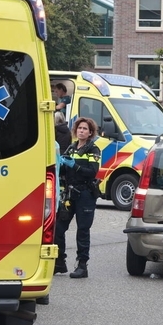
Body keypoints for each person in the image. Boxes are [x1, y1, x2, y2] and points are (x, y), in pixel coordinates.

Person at [54, 117, 101, 278]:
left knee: (82, 230)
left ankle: (82, 266)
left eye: (85, 129)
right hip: (70, 194)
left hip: (85, 194)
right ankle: (59, 262)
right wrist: (61, 165)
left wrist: (76, 166)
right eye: (79, 128)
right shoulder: (71, 148)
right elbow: (64, 172)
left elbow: (92, 172)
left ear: (90, 133)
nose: (81, 131)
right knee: (58, 228)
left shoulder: (93, 150)